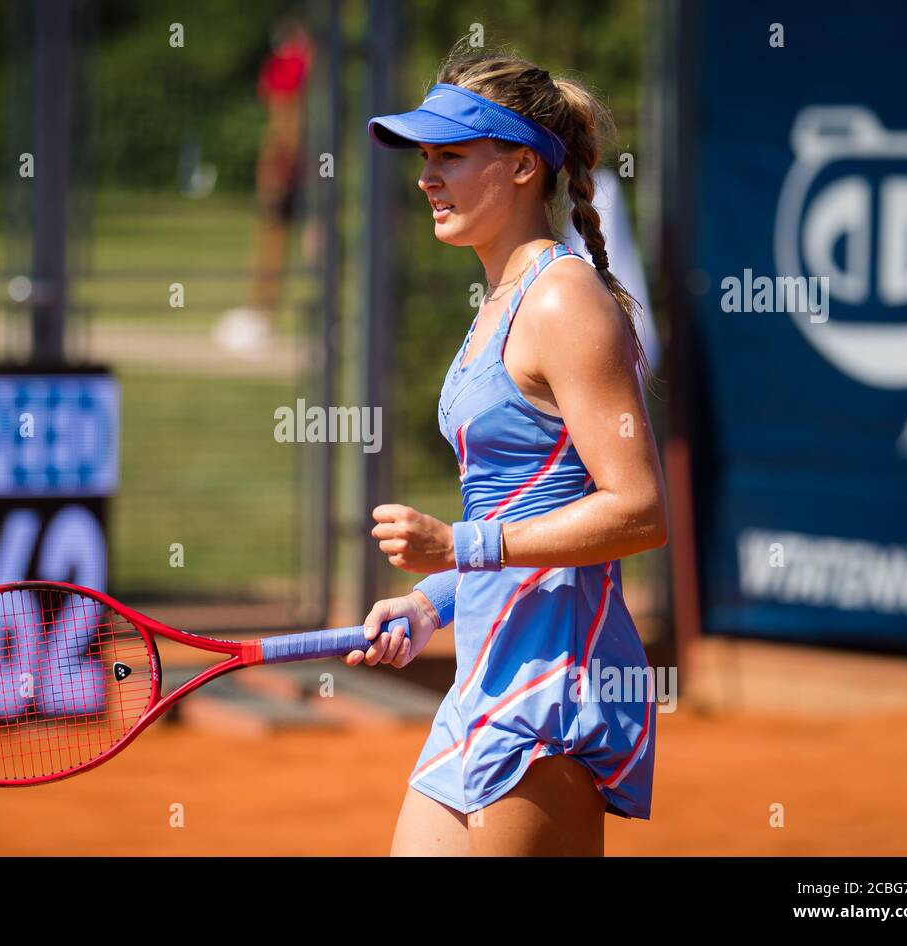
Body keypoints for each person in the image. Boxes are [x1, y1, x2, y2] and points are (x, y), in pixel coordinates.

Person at [345, 53, 669, 856]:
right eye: (424, 159)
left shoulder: (562, 301)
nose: (428, 178)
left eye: (451, 156)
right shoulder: (497, 302)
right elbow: (529, 510)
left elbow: (640, 509)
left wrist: (457, 545)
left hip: (550, 690)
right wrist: (435, 601)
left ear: (524, 165)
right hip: (486, 678)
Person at [212, 16, 314, 354]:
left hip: (295, 163)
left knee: (273, 238)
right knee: (315, 236)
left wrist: (274, 165)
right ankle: (325, 315)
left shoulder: (288, 64)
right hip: (320, 161)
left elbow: (282, 117)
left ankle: (262, 317)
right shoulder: (319, 63)